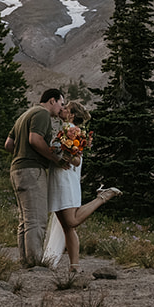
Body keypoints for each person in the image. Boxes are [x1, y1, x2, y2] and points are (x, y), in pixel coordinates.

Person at [42, 102, 121, 271]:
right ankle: (74, 266)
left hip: (65, 179)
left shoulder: (73, 131)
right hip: (57, 178)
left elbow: (77, 160)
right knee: (66, 227)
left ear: (71, 115)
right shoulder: (66, 130)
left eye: (65, 109)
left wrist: (62, 155)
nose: (62, 109)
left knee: (71, 221)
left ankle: (102, 197)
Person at [5, 88, 69, 267]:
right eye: (61, 104)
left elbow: (8, 144)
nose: (61, 109)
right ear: (52, 101)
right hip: (32, 170)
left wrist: (21, 152)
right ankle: (34, 263)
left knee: (25, 219)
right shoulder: (42, 114)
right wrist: (54, 158)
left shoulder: (24, 115)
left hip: (16, 169)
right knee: (37, 219)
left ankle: (25, 260)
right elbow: (35, 139)